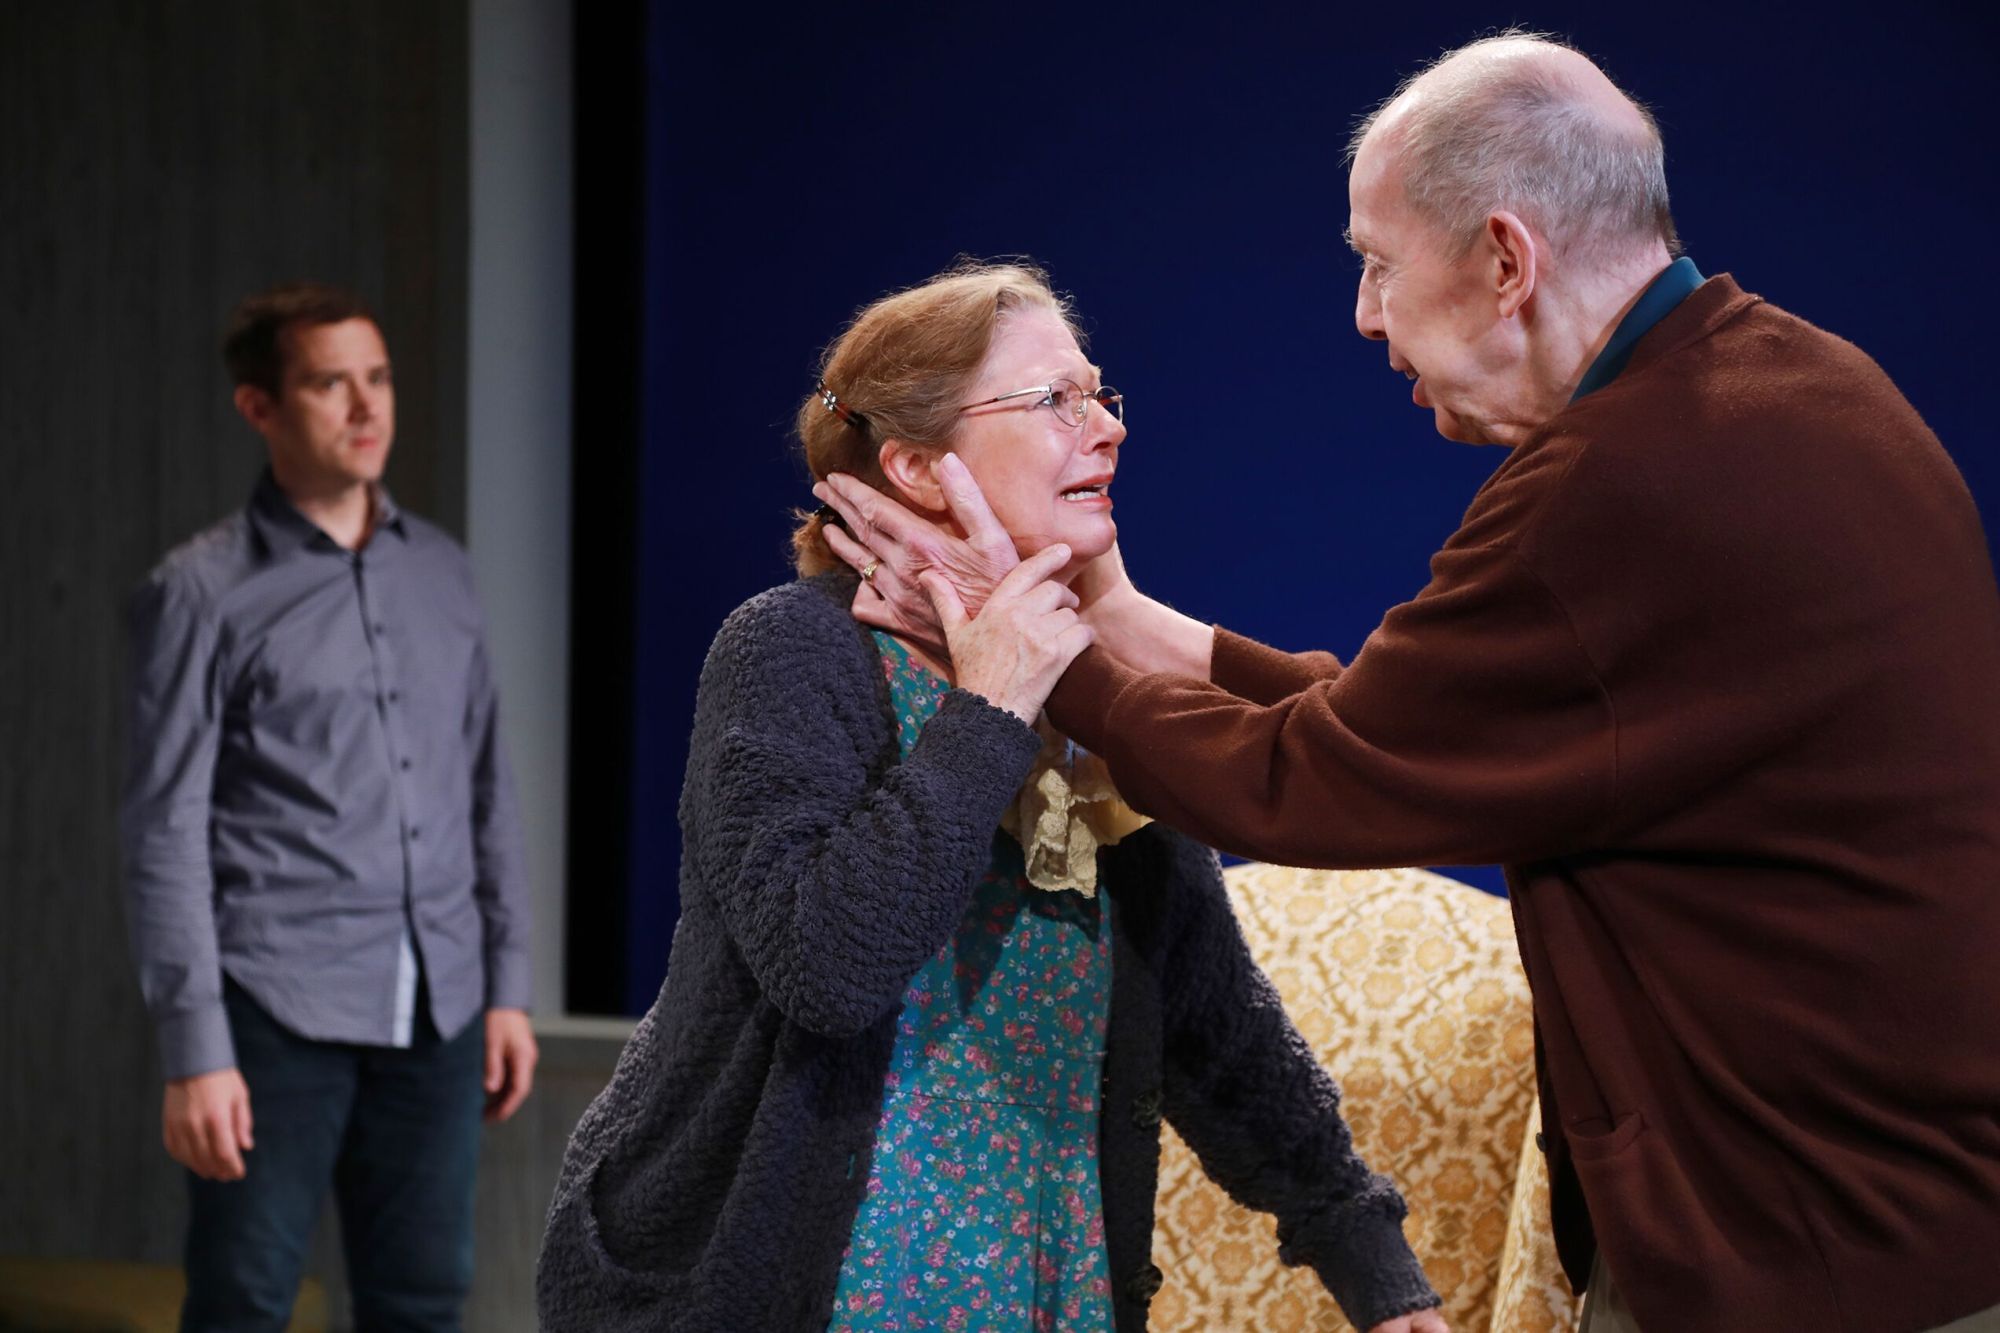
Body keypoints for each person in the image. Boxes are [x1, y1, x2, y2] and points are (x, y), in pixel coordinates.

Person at [810, 35, 2000, 1333]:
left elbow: (1319, 777)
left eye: (1377, 262)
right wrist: (1116, 619)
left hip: (1820, 1270)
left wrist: (1042, 654)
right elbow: (1400, 718)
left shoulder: (1622, 487)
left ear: (1503, 258)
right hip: (1914, 1237)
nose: (1367, 315)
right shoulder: (1799, 389)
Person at [535, 261, 1447, 1333]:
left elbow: (1214, 1021)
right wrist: (993, 701)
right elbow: (826, 966)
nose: (1104, 429)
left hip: (1034, 1288)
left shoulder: (1094, 702)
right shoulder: (793, 649)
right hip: (785, 1292)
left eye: (1100, 395)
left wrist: (1375, 1273)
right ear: (918, 467)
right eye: (1054, 401)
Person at [120, 282, 538, 1331]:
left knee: (423, 1301)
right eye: (327, 383)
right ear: (259, 408)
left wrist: (505, 983)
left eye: (379, 378)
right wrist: (194, 1049)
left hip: (439, 1006)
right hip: (274, 1009)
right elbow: (162, 830)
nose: (366, 407)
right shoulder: (198, 592)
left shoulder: (442, 572)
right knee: (243, 1301)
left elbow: (485, 785)